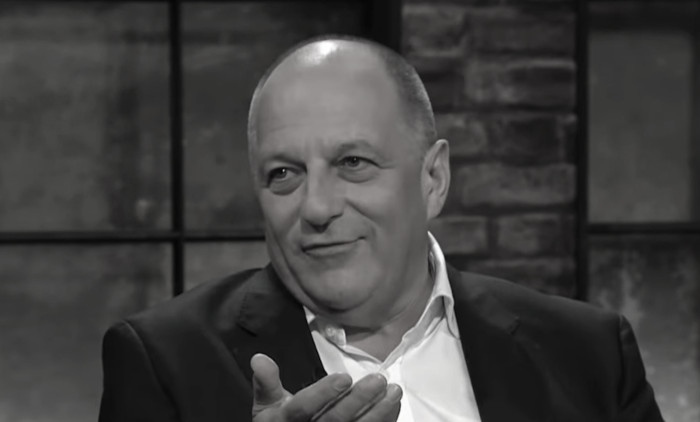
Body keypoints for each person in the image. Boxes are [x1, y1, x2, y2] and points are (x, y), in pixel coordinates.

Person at [99, 35, 663, 422]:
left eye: (353, 163)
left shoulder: (589, 355)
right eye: (283, 174)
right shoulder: (164, 363)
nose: (316, 207)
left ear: (433, 179)